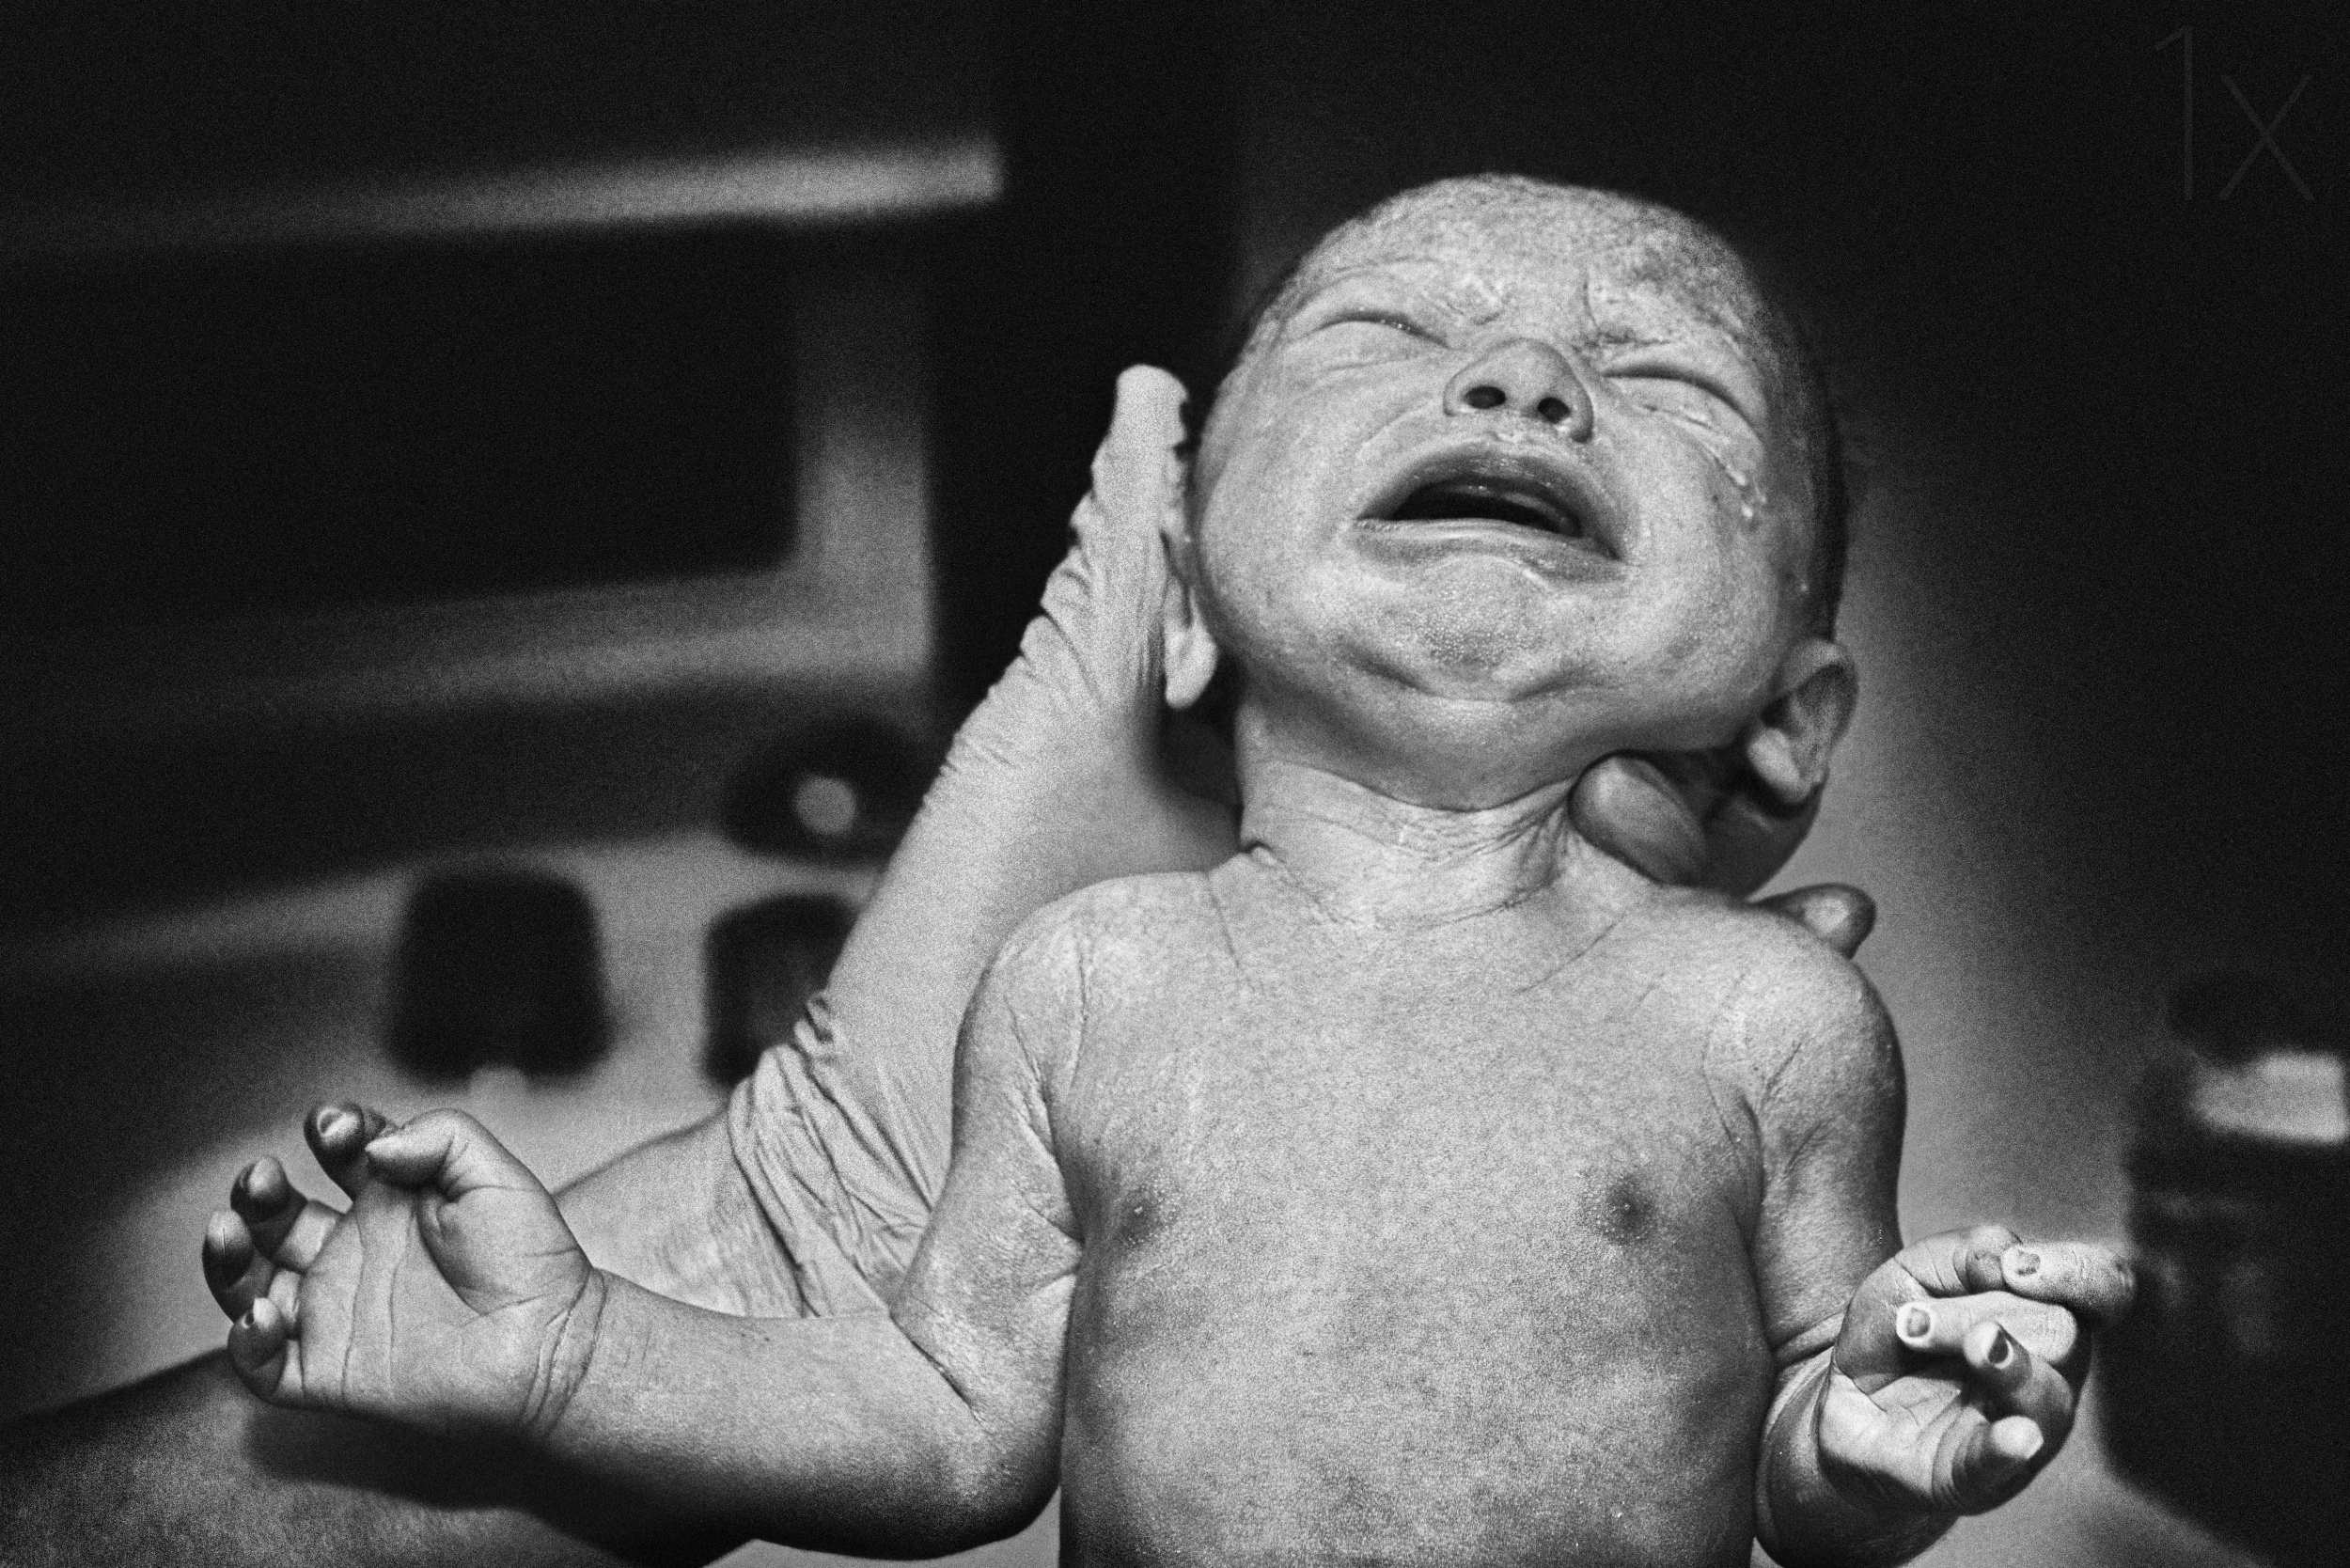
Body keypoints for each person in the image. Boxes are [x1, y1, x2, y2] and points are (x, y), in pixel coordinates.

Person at [201, 178, 2130, 1567]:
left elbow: (1805, 1446)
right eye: (1388, 333)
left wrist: (1865, 1443)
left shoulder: (1769, 1020)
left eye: (1667, 381)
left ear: (1789, 716)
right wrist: (574, 1355)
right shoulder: (1086, 980)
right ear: (1185, 599)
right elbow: (948, 1417)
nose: (1525, 380)